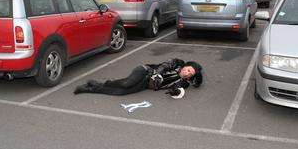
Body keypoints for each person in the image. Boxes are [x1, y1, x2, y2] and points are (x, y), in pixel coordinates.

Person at [74, 58, 203, 99]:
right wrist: (158, 73)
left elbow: (179, 91)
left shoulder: (184, 83)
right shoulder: (177, 63)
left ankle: (90, 87)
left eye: (190, 74)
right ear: (186, 66)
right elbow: (165, 65)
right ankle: (99, 83)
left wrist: (175, 92)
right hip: (145, 72)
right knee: (126, 84)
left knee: (121, 92)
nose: (187, 73)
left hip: (147, 85)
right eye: (188, 69)